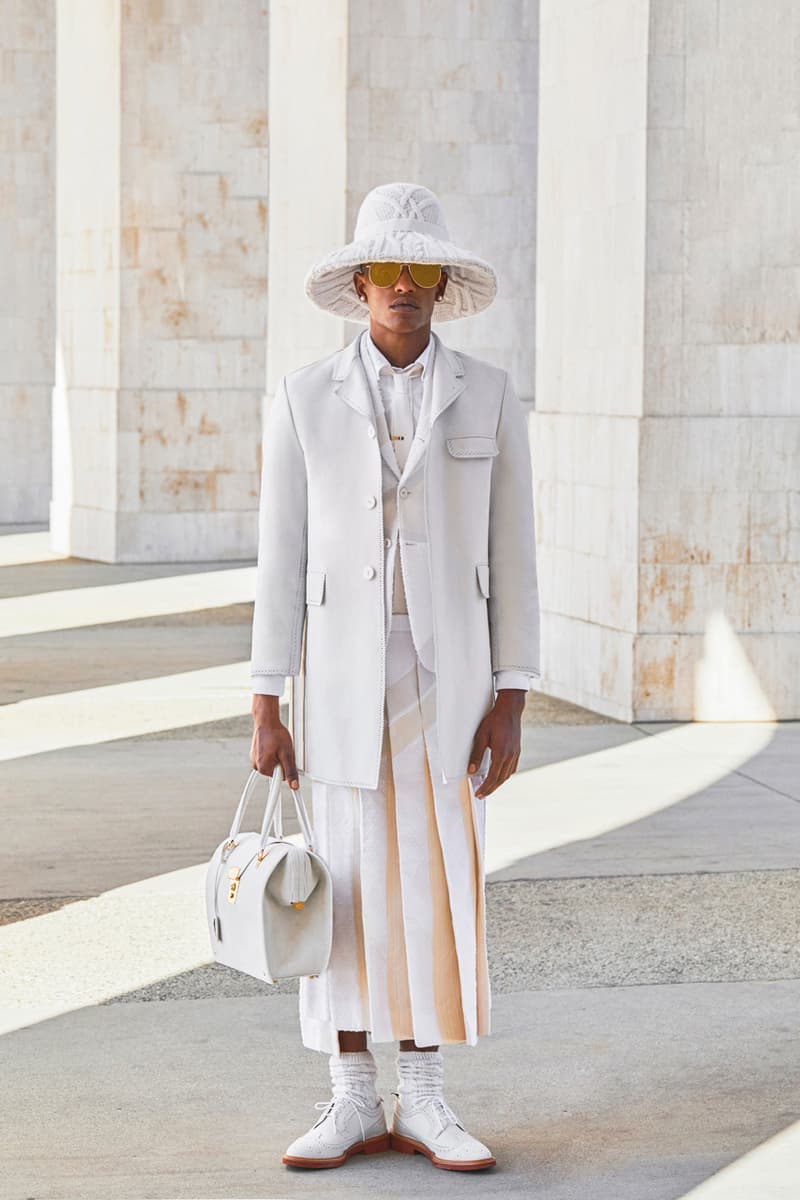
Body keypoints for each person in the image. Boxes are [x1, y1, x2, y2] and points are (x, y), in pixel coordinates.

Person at [249, 181, 540, 1171]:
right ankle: (347, 1097)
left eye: (420, 268)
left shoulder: (490, 395)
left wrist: (511, 699)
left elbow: (514, 556)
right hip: (334, 683)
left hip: (448, 682)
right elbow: (278, 562)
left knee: (433, 883)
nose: (403, 285)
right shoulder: (301, 398)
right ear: (361, 279)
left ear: (437, 283)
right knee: (340, 884)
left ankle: (423, 1097)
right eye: (387, 267)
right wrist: (262, 702)